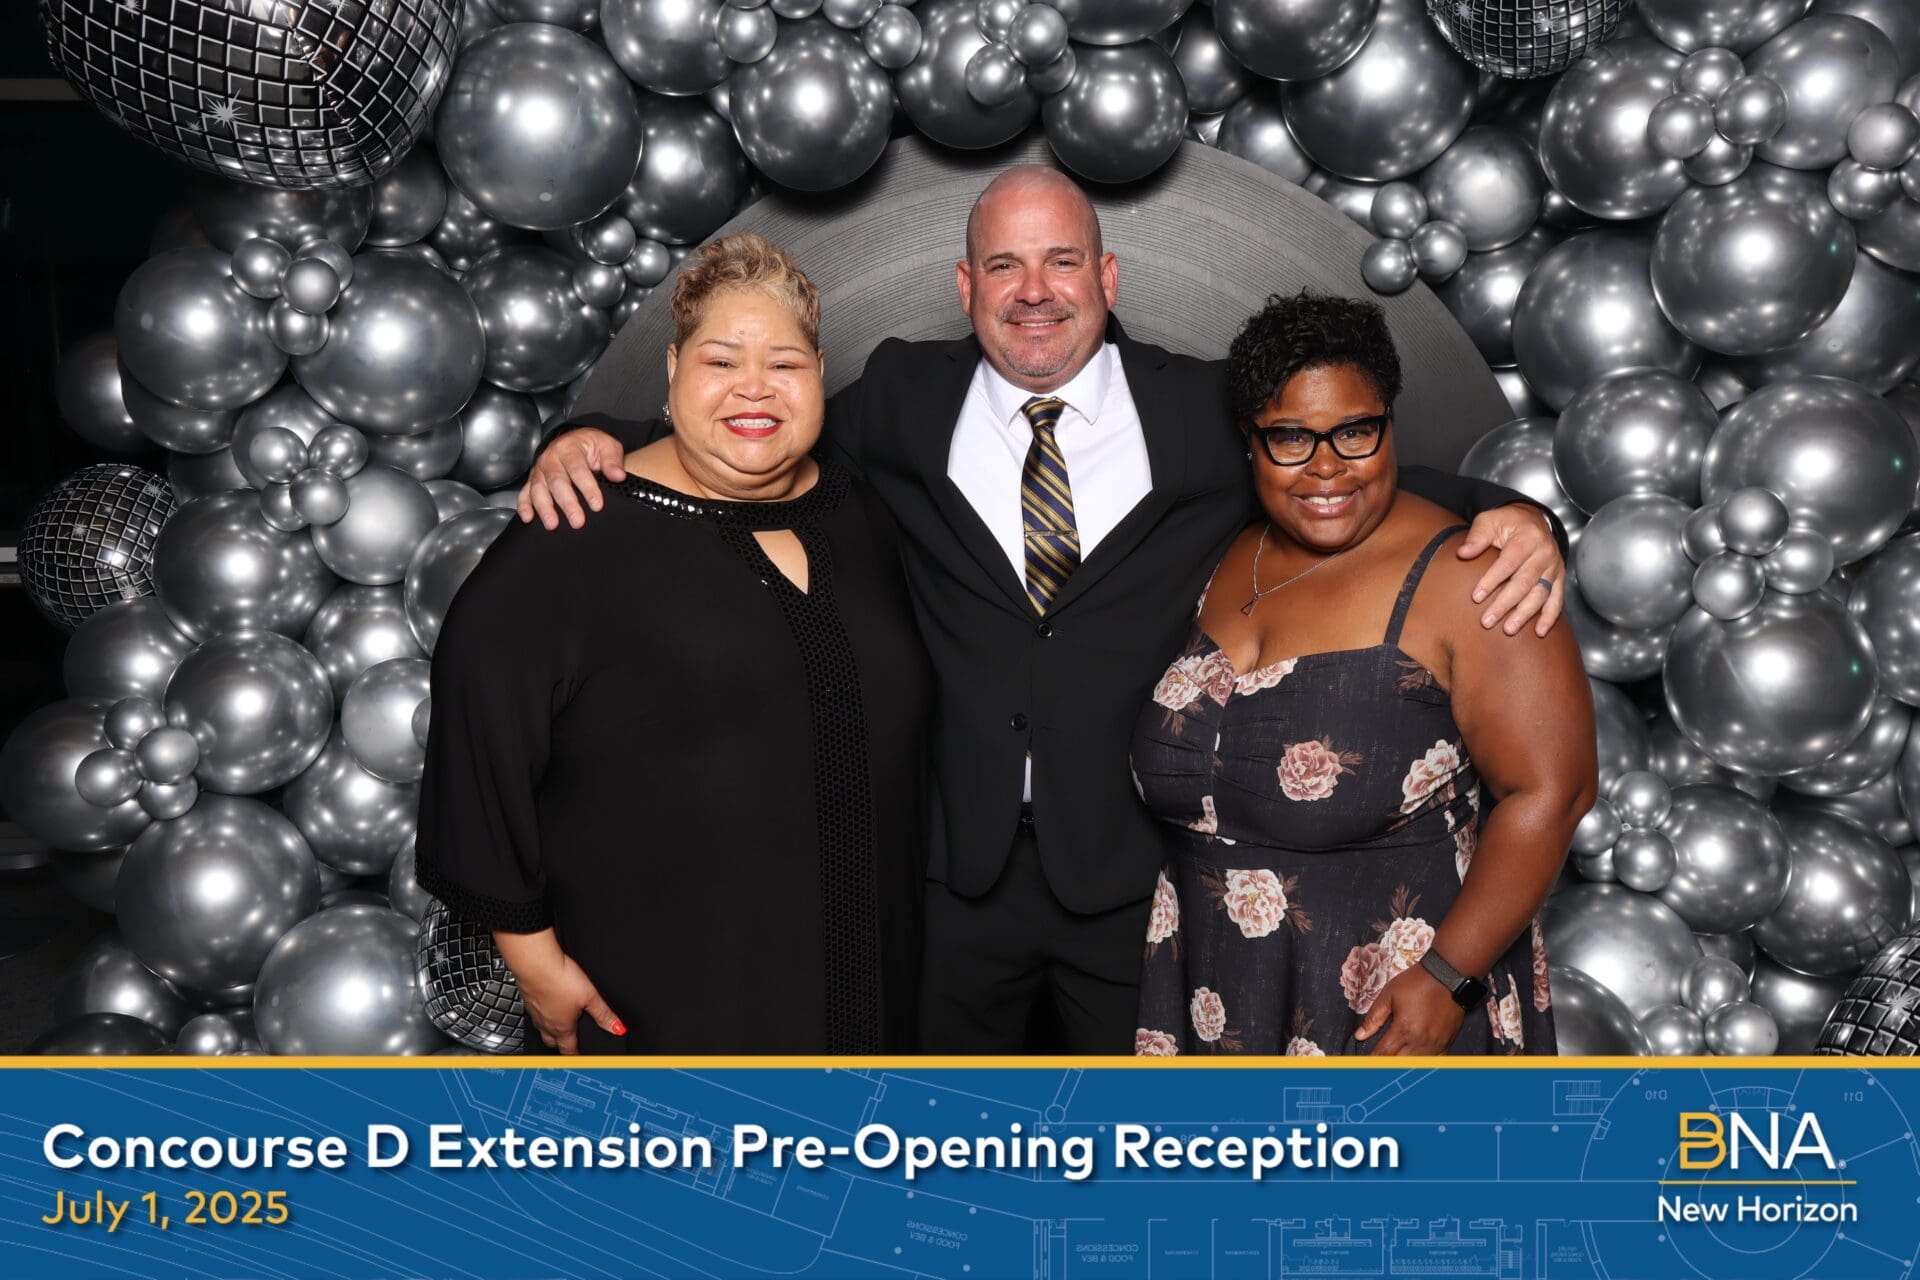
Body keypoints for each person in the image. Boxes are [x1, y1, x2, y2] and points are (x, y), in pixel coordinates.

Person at [518, 165, 1570, 1055]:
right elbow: (757, 430)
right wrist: (593, 434)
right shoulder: (901, 398)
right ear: (965, 285)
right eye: (1005, 267)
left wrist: (1514, 512)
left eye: (1062, 262)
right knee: (939, 1141)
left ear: (1107, 278)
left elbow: (1341, 467)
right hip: (949, 876)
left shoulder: (1201, 410)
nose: (1035, 292)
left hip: (1135, 880)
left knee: (1127, 1154)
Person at [415, 234, 929, 1054]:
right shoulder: (578, 526)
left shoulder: (857, 508)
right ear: (672, 369)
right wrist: (535, 962)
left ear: (820, 374)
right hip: (664, 993)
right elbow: (477, 738)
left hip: (861, 983)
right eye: (721, 362)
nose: (754, 387)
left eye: (784, 364)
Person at [1131, 293, 1595, 1057]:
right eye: (1291, 437)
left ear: (1388, 425)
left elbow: (1553, 792)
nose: (1326, 466)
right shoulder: (1225, 552)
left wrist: (1448, 978)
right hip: (1215, 991)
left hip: (1397, 1001)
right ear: (1250, 441)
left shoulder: (1475, 578)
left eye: (1354, 431)